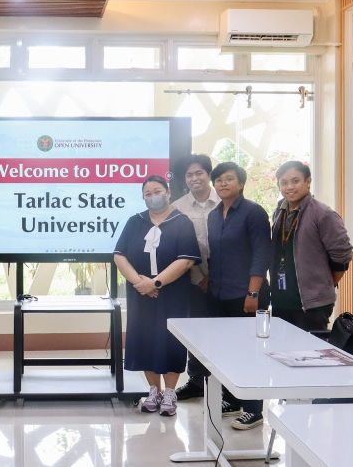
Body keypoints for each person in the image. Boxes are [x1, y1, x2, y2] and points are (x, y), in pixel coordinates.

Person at [114, 176, 200, 417]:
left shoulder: (182, 222)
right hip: (140, 292)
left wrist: (156, 282)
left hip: (172, 292)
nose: (153, 195)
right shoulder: (135, 221)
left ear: (168, 192)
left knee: (169, 340)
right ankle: (153, 390)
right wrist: (139, 282)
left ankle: (170, 392)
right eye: (148, 193)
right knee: (145, 340)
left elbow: (185, 260)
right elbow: (119, 255)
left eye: (157, 190)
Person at [207, 161, 272, 431]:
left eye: (229, 179)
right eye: (219, 179)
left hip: (247, 294)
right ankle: (233, 400)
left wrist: (253, 291)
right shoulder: (213, 215)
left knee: (250, 353)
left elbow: (261, 253)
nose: (223, 183)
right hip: (219, 294)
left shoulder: (253, 213)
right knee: (226, 351)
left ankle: (254, 409)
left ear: (241, 183)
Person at [270, 161, 352, 331]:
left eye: (295, 181)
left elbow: (342, 254)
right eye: (284, 183)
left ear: (308, 182)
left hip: (311, 304)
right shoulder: (280, 211)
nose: (289, 187)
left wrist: (327, 282)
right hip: (282, 299)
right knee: (280, 352)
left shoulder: (323, 213)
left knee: (309, 355)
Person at [171, 154, 220, 401]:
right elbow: (179, 248)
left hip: (227, 278)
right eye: (189, 175)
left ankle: (227, 385)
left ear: (209, 174)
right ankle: (196, 381)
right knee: (197, 330)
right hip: (193, 276)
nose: (194, 178)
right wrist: (199, 277)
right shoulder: (178, 207)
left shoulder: (225, 200)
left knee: (226, 331)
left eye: (199, 173)